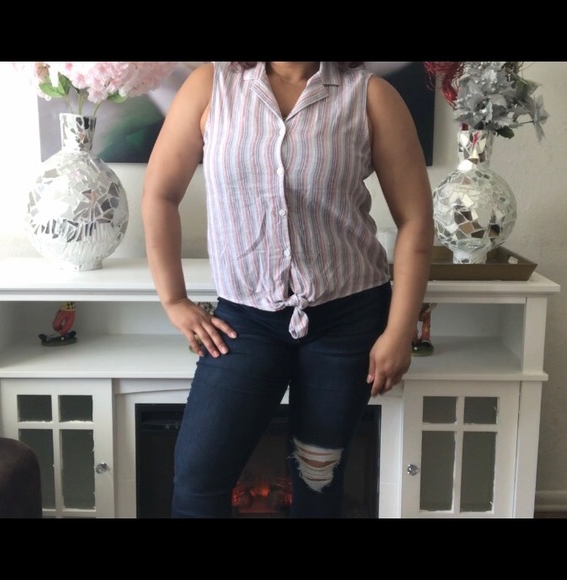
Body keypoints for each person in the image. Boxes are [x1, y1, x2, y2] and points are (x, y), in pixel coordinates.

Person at [141, 62, 435, 518]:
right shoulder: (211, 87)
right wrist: (174, 299)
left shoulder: (370, 97)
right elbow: (160, 194)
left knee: (317, 484)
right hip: (244, 321)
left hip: (348, 320)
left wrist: (399, 331)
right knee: (198, 479)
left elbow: (415, 220)